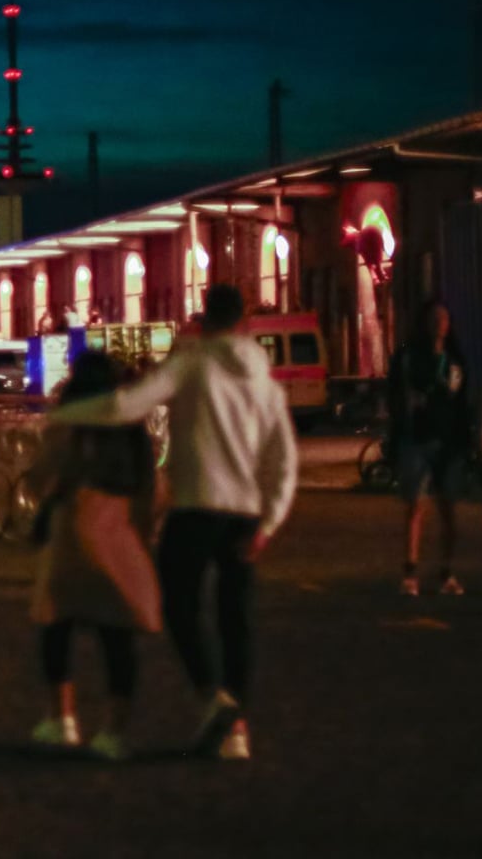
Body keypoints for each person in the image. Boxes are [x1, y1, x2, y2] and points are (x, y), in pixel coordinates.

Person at [50, 284, 296, 761]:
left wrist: (65, 414)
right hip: (245, 513)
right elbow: (283, 460)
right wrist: (269, 520)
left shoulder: (192, 362)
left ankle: (212, 696)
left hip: (197, 506)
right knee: (236, 620)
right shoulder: (265, 382)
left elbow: (127, 405)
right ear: (245, 322)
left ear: (204, 319)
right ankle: (237, 731)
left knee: (179, 606)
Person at [25, 351, 161, 761]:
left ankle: (62, 719)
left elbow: (41, 478)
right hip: (119, 530)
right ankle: (114, 732)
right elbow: (151, 488)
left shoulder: (68, 423)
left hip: (74, 525)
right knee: (117, 634)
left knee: (56, 623)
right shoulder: (132, 428)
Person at [387, 302, 471, 596]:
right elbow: (394, 396)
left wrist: (465, 439)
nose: (440, 323)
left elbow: (463, 403)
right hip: (417, 438)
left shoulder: (454, 359)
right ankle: (410, 572)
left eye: (445, 318)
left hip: (447, 442)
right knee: (415, 507)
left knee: (448, 509)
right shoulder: (409, 358)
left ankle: (446, 572)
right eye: (435, 318)